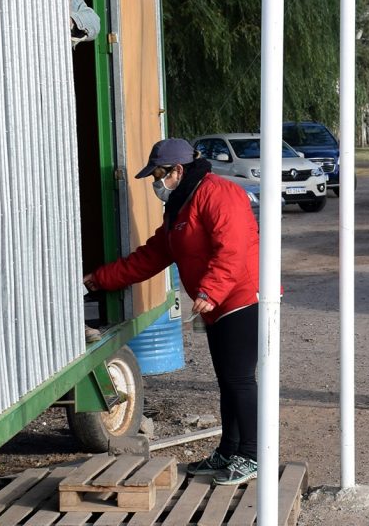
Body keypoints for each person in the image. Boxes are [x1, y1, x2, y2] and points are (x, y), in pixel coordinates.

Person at [82, 138, 261, 486]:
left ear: (178, 170)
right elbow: (151, 257)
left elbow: (233, 246)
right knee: (227, 380)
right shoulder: (180, 204)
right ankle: (229, 450)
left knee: (239, 380)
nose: (156, 182)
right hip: (216, 304)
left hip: (240, 297)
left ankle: (252, 456)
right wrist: (99, 280)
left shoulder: (218, 193)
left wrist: (211, 290)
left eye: (159, 174)